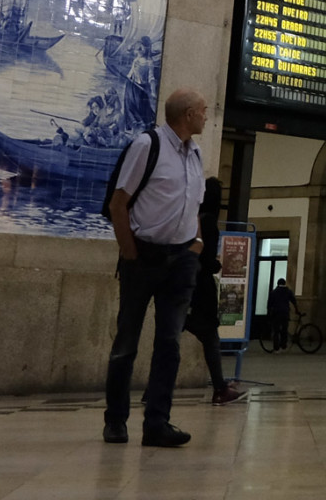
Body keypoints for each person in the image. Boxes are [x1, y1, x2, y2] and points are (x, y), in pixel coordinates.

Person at [103, 88, 209, 447]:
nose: (207, 117)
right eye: (204, 111)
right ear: (189, 114)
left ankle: (157, 423)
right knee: (126, 343)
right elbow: (120, 202)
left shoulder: (195, 154)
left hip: (181, 260)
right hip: (142, 257)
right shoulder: (147, 146)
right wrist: (129, 251)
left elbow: (193, 204)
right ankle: (115, 420)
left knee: (169, 343)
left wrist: (196, 244)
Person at [181, 176, 247, 405]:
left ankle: (155, 389)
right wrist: (216, 264)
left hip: (184, 282)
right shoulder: (208, 222)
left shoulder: (191, 217)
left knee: (169, 336)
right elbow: (206, 258)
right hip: (201, 288)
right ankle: (219, 388)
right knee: (210, 338)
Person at [264, 275, 295, 349]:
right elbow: (294, 301)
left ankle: (276, 346)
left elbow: (269, 304)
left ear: (278, 284)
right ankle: (283, 344)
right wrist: (297, 310)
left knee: (276, 330)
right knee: (284, 329)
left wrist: (269, 313)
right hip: (285, 313)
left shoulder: (274, 292)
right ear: (285, 283)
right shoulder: (288, 291)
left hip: (276, 313)